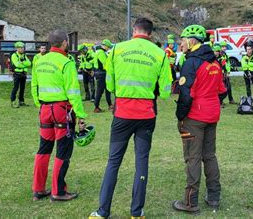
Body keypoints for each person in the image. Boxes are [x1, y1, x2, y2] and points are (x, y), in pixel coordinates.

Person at [89, 18, 172, 219]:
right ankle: (136, 212)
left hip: (123, 114)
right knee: (141, 162)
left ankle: (102, 212)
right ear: (150, 34)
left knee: (113, 161)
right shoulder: (160, 55)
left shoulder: (117, 49)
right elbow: (167, 92)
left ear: (134, 30)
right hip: (146, 115)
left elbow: (109, 85)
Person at [173, 24, 227, 214]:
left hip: (195, 116)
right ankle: (214, 196)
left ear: (192, 41)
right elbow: (222, 90)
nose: (181, 43)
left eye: (183, 39)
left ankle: (190, 202)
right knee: (209, 155)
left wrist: (180, 116)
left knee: (193, 157)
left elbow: (186, 94)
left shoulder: (191, 62)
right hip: (212, 115)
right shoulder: (214, 61)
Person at [31, 29, 87, 202]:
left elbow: (34, 86)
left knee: (44, 150)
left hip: (45, 111)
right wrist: (81, 115)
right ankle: (59, 191)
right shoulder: (66, 63)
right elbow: (73, 92)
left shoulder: (40, 61)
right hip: (62, 111)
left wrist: (40, 105)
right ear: (64, 43)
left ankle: (38, 189)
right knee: (63, 151)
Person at [93, 39, 113, 113]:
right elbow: (105, 64)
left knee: (107, 89)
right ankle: (96, 107)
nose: (108, 49)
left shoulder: (99, 52)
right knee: (100, 91)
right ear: (105, 46)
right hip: (101, 74)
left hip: (100, 73)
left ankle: (110, 104)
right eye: (108, 47)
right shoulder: (101, 52)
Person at [10, 41, 31, 108]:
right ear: (17, 48)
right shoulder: (14, 55)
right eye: (21, 48)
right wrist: (24, 64)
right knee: (15, 88)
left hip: (23, 74)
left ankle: (21, 101)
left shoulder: (24, 55)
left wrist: (22, 63)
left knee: (22, 88)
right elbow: (17, 64)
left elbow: (29, 63)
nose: (23, 49)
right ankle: (13, 102)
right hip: (17, 74)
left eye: (23, 48)